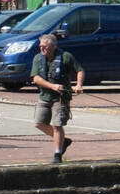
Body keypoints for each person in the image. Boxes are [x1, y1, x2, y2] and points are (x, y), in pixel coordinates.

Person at [31, 33, 83, 163]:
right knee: (39, 123)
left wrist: (78, 85)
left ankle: (57, 154)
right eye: (40, 46)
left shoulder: (66, 57)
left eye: (45, 46)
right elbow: (36, 78)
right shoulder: (38, 58)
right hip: (44, 96)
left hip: (61, 98)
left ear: (53, 46)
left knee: (57, 125)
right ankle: (63, 141)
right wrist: (52, 86)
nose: (41, 48)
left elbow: (80, 70)